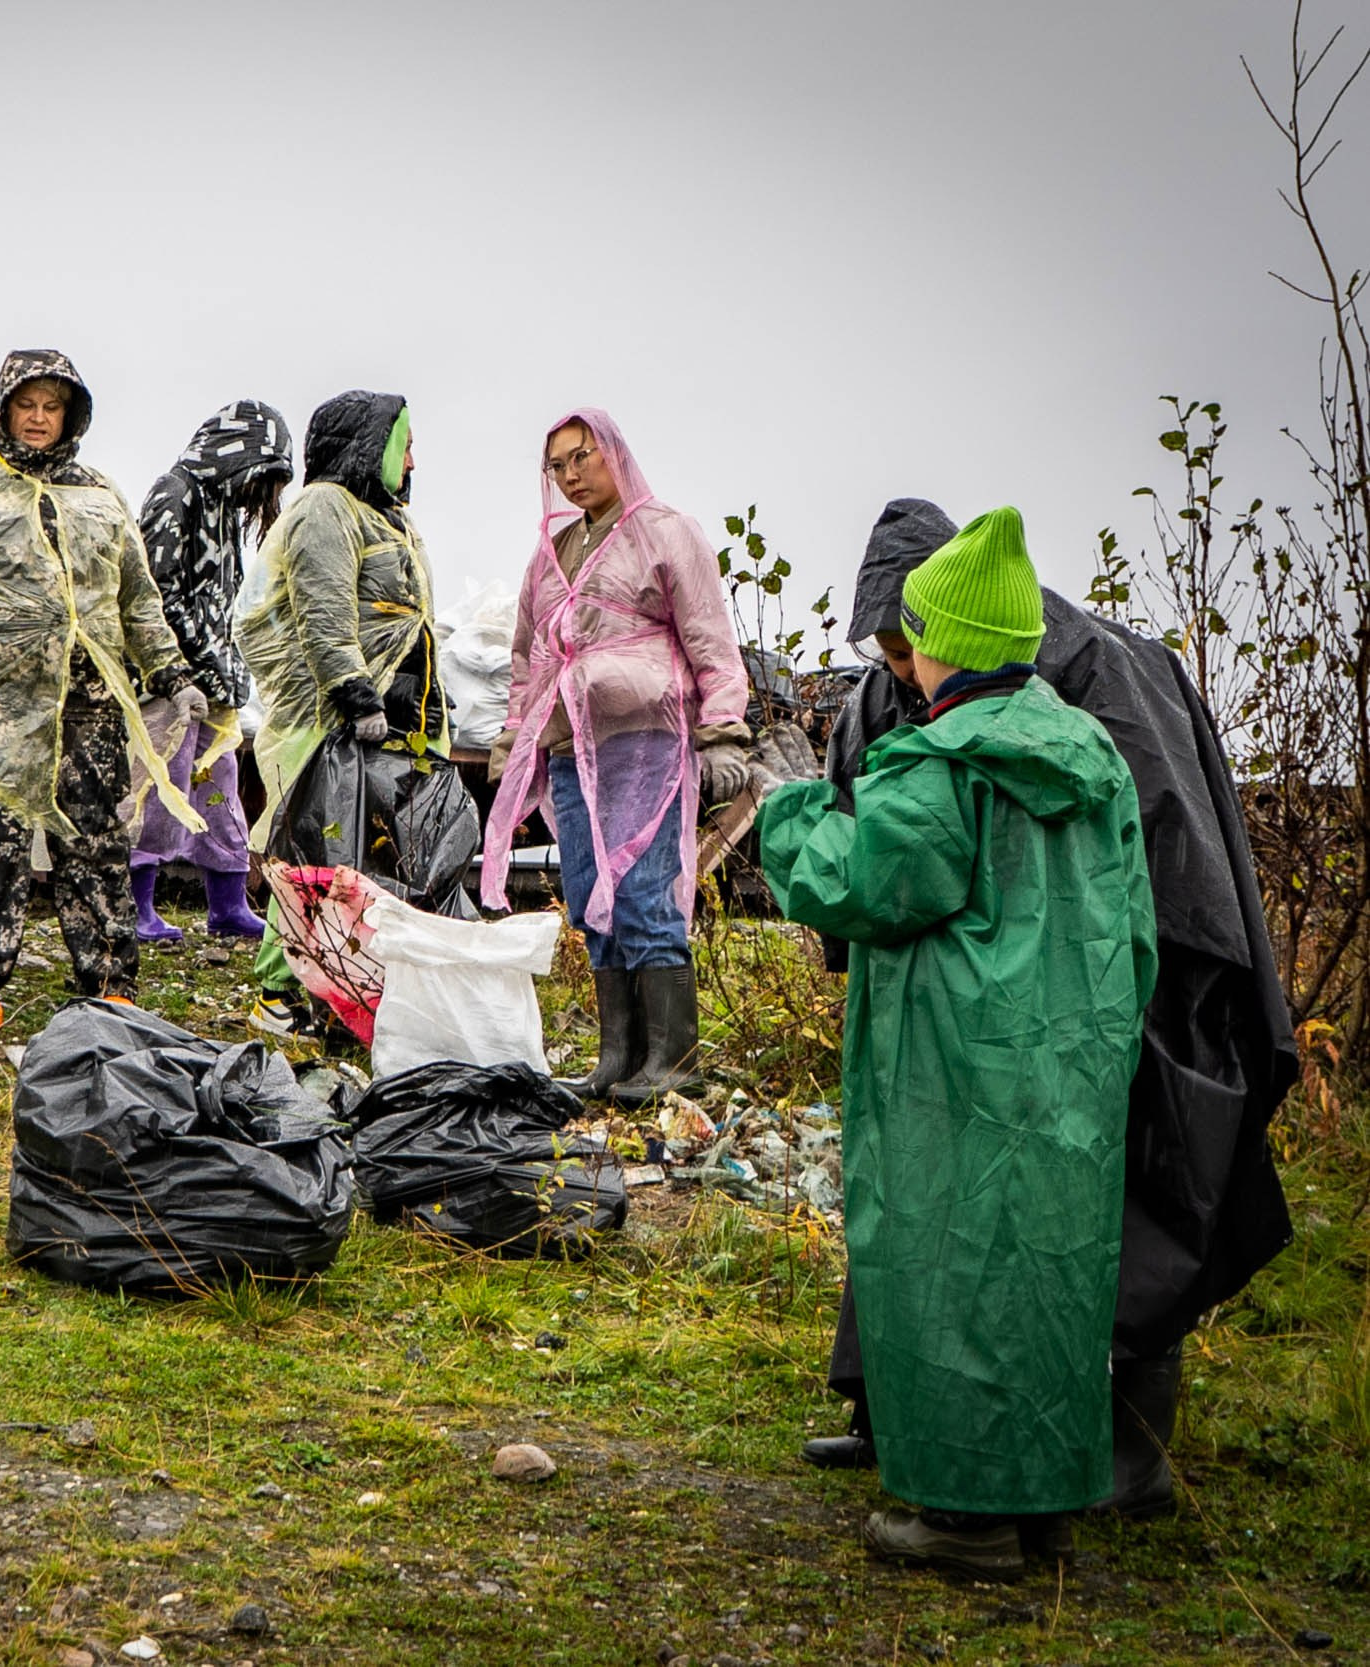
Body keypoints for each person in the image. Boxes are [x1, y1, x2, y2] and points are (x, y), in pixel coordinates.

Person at [800, 498, 1296, 1521]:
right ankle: (894, 1406)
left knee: (1108, 1198)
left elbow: (1163, 861)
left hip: (1123, 996)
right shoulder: (902, 683)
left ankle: (1125, 1442)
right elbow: (872, 836)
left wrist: (1108, 1009)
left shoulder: (1097, 675)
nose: (895, 665)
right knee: (925, 1194)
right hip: (965, 1018)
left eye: (906, 643)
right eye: (882, 646)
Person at [758, 507, 1157, 1579]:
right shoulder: (1091, 755)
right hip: (1070, 1062)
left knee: (949, 1266)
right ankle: (1044, 1501)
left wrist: (783, 812)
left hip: (949, 1064)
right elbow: (1136, 926)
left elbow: (858, 880)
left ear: (940, 642)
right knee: (1053, 1271)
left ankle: (964, 1516)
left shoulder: (943, 764)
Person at [0, 349, 207, 1030]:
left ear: (70, 416)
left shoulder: (100, 494)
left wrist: (172, 673)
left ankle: (110, 976)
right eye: (26, 405)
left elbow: (136, 596)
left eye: (51, 407)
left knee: (95, 837)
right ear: (3, 410)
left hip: (86, 701)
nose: (37, 418)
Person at [477, 410, 751, 1103]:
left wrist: (722, 728)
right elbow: (529, 654)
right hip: (573, 745)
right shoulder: (553, 552)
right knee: (590, 894)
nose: (572, 475)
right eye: (558, 465)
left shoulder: (664, 531)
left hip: (646, 740)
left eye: (582, 457)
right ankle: (617, 1055)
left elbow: (709, 638)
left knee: (642, 889)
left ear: (613, 454)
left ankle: (674, 1058)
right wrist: (515, 736)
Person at [237, 390, 440, 1027]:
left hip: (386, 722)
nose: (411, 461)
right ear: (368, 446)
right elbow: (325, 613)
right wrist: (356, 696)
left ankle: (341, 985)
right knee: (310, 852)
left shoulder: (391, 521)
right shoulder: (326, 507)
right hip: (325, 721)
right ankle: (280, 992)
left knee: (360, 856)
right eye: (400, 446)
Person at [130, 400, 291, 943]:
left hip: (214, 687)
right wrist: (195, 667)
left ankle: (228, 903)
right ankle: (137, 906)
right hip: (165, 686)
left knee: (220, 792)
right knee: (158, 792)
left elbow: (222, 602)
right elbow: (156, 595)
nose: (261, 493)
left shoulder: (221, 505)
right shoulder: (174, 495)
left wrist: (231, 670)